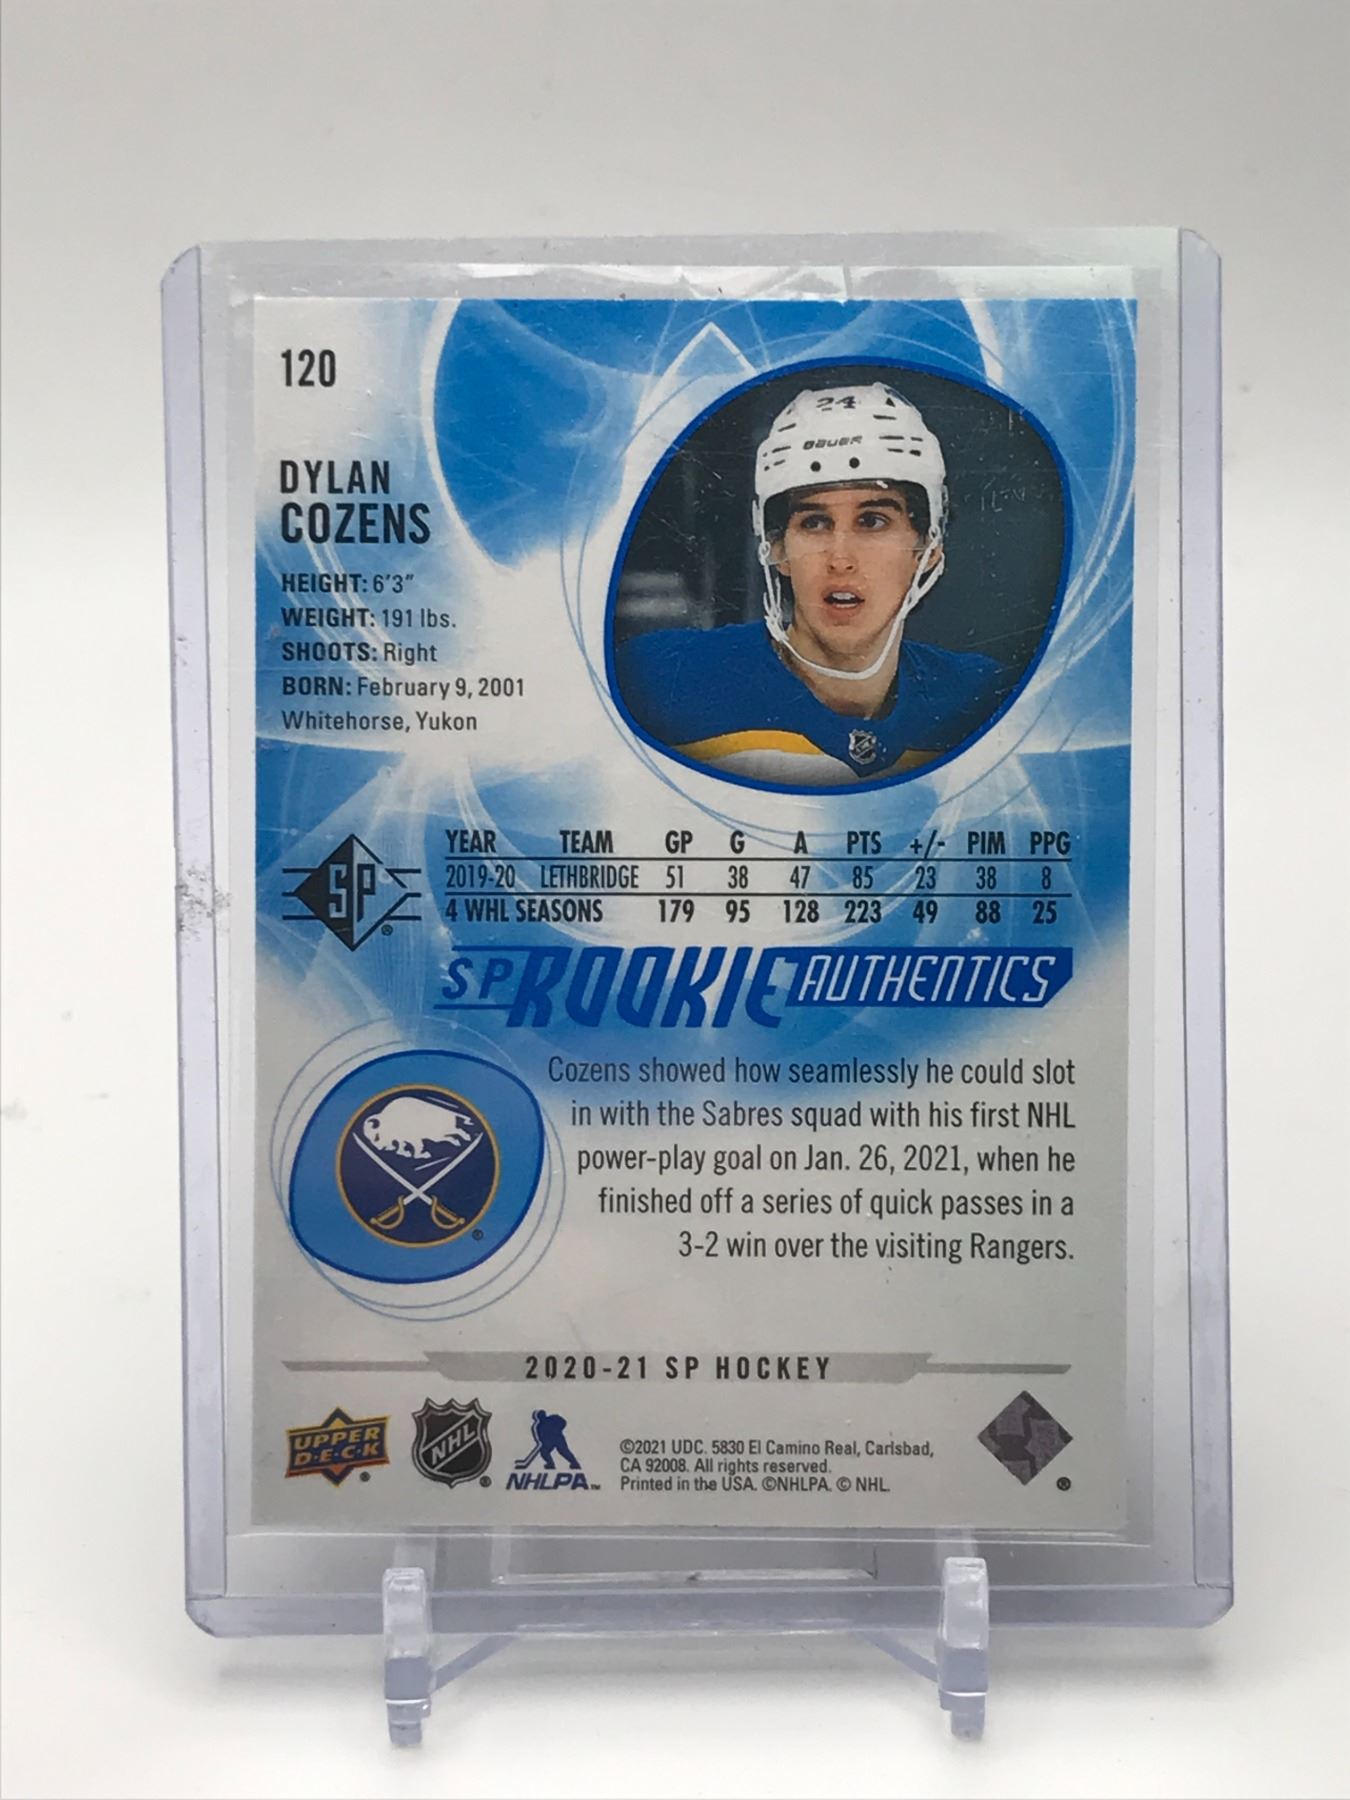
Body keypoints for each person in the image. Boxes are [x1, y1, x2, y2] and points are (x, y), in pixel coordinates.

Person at [616, 382, 1010, 785]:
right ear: (776, 546)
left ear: (928, 548)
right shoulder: (659, 678)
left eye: (872, 521)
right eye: (815, 522)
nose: (840, 559)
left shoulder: (984, 697)